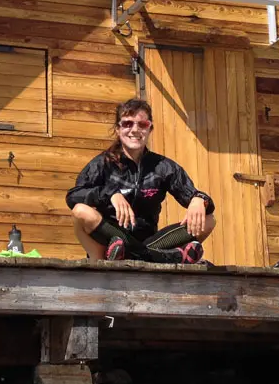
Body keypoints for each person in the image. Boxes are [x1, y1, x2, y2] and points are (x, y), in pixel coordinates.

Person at [66, 98, 216, 263]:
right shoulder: (102, 164)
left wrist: (198, 199)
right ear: (118, 129)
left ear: (150, 128)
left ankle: (136, 255)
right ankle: (168, 257)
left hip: (154, 241)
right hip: (112, 240)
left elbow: (194, 196)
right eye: (127, 124)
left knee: (209, 220)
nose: (135, 130)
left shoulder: (163, 167)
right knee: (80, 211)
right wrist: (110, 194)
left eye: (142, 124)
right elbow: (73, 196)